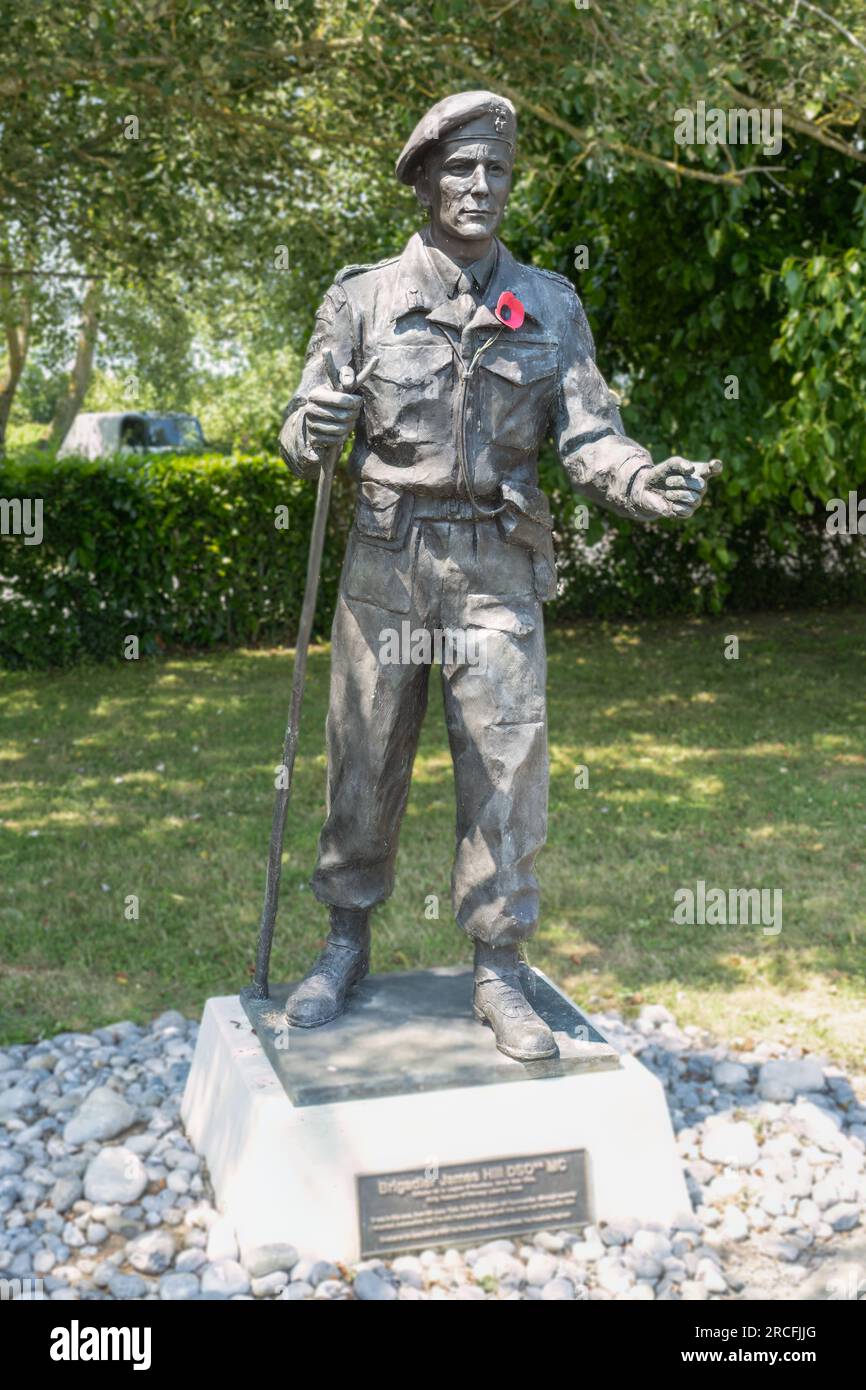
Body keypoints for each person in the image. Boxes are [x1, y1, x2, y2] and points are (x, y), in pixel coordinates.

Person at [278, 91, 721, 1061]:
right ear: (426, 177)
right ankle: (343, 943)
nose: (479, 187)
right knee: (363, 765)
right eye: (461, 169)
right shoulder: (361, 298)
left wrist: (638, 479)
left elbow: (589, 434)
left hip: (495, 564)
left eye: (497, 171)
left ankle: (499, 966)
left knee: (505, 771)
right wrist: (306, 432)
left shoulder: (550, 303)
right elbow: (305, 418)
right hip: (387, 563)